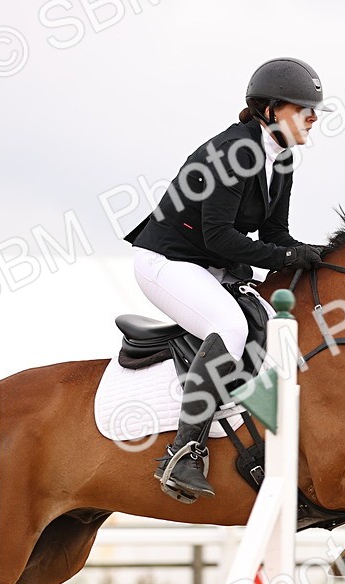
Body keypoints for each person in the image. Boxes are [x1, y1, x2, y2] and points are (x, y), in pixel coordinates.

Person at [124, 56, 330, 503]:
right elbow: (219, 237)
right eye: (302, 108)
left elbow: (275, 235)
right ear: (271, 110)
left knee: (267, 326)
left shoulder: (282, 160)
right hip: (166, 261)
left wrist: (318, 257)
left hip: (211, 265)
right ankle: (184, 452)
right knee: (231, 327)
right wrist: (290, 255)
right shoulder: (233, 153)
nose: (313, 117)